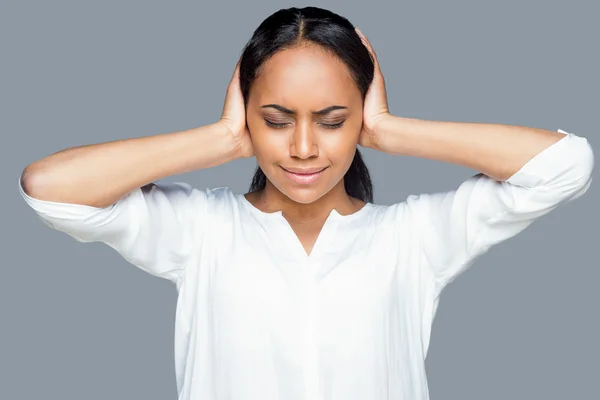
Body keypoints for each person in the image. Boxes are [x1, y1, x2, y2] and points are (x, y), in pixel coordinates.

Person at [18, 6, 594, 400]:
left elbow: (565, 167)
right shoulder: (200, 231)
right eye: (274, 120)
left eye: (332, 120)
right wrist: (220, 139)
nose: (302, 148)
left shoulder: (414, 237)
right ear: (248, 114)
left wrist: (390, 130)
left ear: (358, 118)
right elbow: (50, 187)